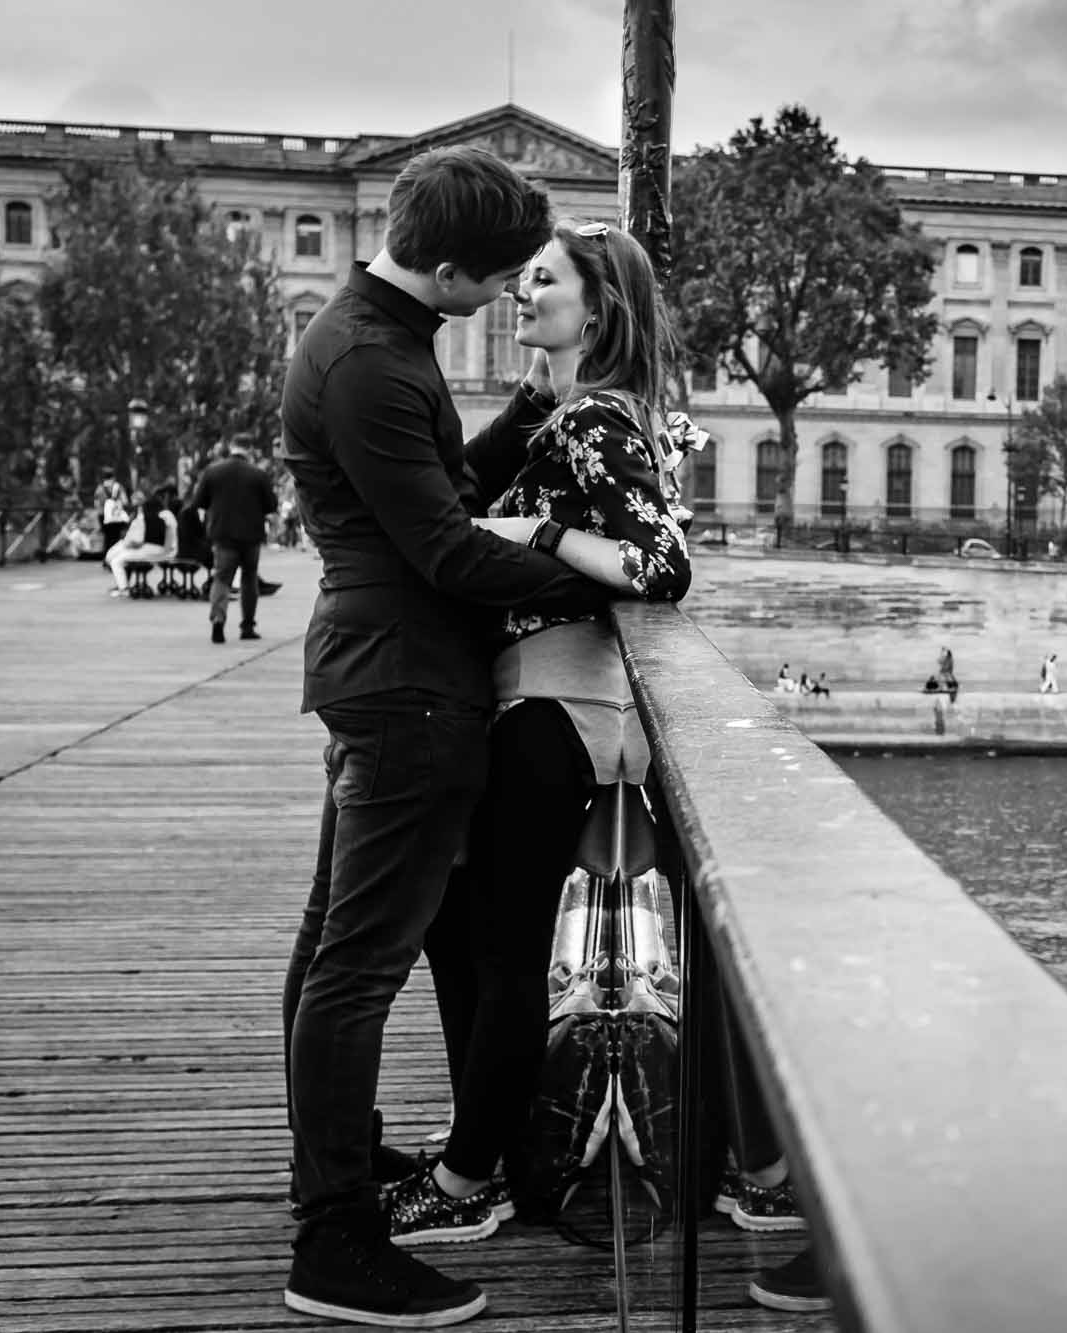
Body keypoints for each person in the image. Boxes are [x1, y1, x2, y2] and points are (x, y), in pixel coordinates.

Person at [277, 145, 609, 1330]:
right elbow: (447, 551)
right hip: (411, 683)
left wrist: (523, 414)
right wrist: (614, 581)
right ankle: (333, 1243)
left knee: (335, 945)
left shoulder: (367, 336)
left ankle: (338, 1164)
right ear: (452, 264)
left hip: (382, 670)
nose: (507, 296)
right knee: (358, 964)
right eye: (501, 275)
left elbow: (433, 495)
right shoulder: (373, 360)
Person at [410, 218, 695, 1260]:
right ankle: (484, 1149)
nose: (519, 297)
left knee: (500, 950)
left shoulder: (593, 422)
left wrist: (533, 534)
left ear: (597, 307)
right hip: (560, 705)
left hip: (557, 711)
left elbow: (658, 565)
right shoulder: (580, 414)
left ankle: (469, 1178)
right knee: (467, 930)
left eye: (542, 282)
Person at [188, 441, 277, 643]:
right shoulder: (258, 474)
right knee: (249, 578)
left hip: (223, 535)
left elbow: (198, 502)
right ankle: (247, 626)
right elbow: (271, 505)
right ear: (250, 451)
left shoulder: (212, 472)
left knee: (222, 579)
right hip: (251, 536)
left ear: (232, 449)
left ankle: (218, 621)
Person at [102, 491, 178, 597]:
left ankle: (124, 588)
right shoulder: (162, 517)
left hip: (157, 550)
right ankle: (123, 585)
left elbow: (139, 540)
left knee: (117, 560)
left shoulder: (155, 518)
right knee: (120, 556)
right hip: (160, 549)